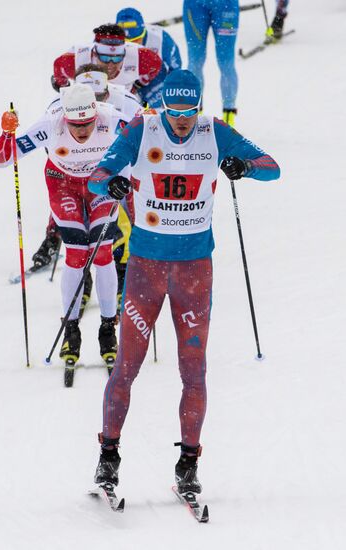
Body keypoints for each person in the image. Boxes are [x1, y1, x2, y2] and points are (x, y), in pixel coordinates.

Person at [87, 69, 280, 494]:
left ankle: (188, 463)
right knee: (126, 367)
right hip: (145, 269)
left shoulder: (215, 131)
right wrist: (113, 182)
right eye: (173, 111)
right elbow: (97, 176)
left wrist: (243, 166)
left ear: (199, 107)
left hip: (194, 270)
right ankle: (108, 457)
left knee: (194, 371)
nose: (180, 121)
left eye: (187, 112)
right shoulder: (144, 127)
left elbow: (272, 168)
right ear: (164, 107)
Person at [0, 83, 130, 367]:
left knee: (103, 252)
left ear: (96, 114)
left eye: (87, 123)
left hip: (99, 181)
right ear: (65, 117)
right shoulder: (50, 124)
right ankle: (72, 329)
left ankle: (108, 329)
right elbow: (2, 159)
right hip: (62, 183)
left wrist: (124, 177)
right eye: (75, 124)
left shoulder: (112, 118)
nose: (82, 131)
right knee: (78, 254)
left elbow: (145, 141)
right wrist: (7, 133)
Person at [52, 24, 162, 99]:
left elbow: (156, 65)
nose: (110, 64)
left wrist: (139, 84)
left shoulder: (142, 57)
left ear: (124, 54)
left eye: (117, 58)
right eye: (105, 58)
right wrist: (65, 88)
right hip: (87, 105)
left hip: (124, 100)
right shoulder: (75, 60)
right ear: (95, 54)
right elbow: (58, 68)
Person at [183, 0, 239, 126]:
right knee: (195, 62)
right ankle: (194, 113)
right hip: (195, 5)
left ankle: (228, 115)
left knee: (226, 62)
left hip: (226, 5)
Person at [116, 7, 182, 109]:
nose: (132, 45)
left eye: (136, 40)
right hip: (124, 81)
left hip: (154, 80)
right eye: (126, 42)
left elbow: (176, 70)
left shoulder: (160, 39)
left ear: (144, 33)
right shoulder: (108, 41)